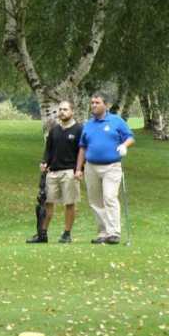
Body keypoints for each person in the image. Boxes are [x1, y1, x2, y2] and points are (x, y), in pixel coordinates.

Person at [75, 91, 135, 245]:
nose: (94, 105)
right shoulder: (88, 124)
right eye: (92, 103)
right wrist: (78, 169)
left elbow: (130, 137)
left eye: (97, 103)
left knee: (109, 197)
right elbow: (83, 147)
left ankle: (113, 233)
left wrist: (124, 145)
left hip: (111, 167)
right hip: (91, 167)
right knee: (96, 201)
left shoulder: (116, 121)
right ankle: (102, 234)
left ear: (105, 105)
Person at [26, 100, 83, 244]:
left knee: (69, 203)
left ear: (73, 111)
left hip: (69, 172)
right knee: (47, 203)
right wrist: (45, 162)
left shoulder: (79, 130)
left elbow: (82, 152)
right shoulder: (54, 130)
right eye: (60, 109)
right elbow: (49, 150)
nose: (62, 112)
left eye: (65, 109)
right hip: (53, 172)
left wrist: (79, 169)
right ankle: (42, 233)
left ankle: (67, 234)